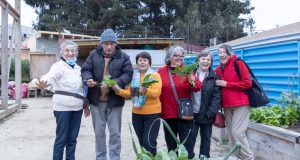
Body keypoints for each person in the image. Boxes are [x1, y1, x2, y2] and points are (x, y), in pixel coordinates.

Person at [81, 28, 133, 160]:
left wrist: (113, 84)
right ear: (101, 44)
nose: (109, 47)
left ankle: (115, 157)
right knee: (99, 133)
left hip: (114, 101)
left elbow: (127, 74)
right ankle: (101, 157)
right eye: (106, 44)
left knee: (115, 133)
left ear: (116, 44)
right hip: (96, 101)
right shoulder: (93, 55)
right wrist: (88, 79)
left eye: (112, 43)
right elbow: (86, 69)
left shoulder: (124, 57)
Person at [36, 40, 89, 160]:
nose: (70, 53)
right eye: (67, 50)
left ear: (76, 53)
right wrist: (44, 82)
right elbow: (50, 76)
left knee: (73, 138)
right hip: (63, 108)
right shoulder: (58, 66)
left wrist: (85, 104)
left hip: (77, 108)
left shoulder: (78, 68)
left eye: (73, 50)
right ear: (62, 52)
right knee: (62, 138)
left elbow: (81, 89)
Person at [112, 52, 162, 156]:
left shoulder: (155, 75)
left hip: (152, 115)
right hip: (137, 114)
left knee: (149, 142)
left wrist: (145, 91)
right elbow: (130, 93)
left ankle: (152, 158)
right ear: (137, 63)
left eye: (145, 60)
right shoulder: (135, 76)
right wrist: (118, 90)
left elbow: (156, 93)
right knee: (142, 142)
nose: (142, 62)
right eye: (140, 60)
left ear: (149, 63)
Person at [157, 46, 202, 159]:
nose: (179, 58)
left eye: (181, 56)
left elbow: (197, 87)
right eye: (176, 55)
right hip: (168, 114)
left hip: (184, 114)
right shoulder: (161, 72)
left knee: (187, 145)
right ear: (170, 57)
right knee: (171, 146)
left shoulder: (186, 70)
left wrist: (191, 78)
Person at [215, 44, 255, 160]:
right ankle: (234, 156)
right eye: (219, 53)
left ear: (229, 53)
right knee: (231, 134)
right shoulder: (220, 67)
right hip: (227, 105)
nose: (221, 55)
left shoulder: (238, 63)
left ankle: (249, 157)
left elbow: (248, 83)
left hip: (241, 103)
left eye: (224, 52)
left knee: (238, 132)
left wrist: (226, 84)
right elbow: (210, 76)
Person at [190, 52, 221, 159]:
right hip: (192, 113)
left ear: (211, 62)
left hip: (207, 114)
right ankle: (189, 157)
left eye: (208, 60)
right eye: (203, 59)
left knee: (206, 139)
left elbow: (217, 97)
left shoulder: (214, 76)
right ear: (198, 61)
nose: (205, 61)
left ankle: (204, 157)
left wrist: (211, 112)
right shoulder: (190, 74)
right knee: (190, 138)